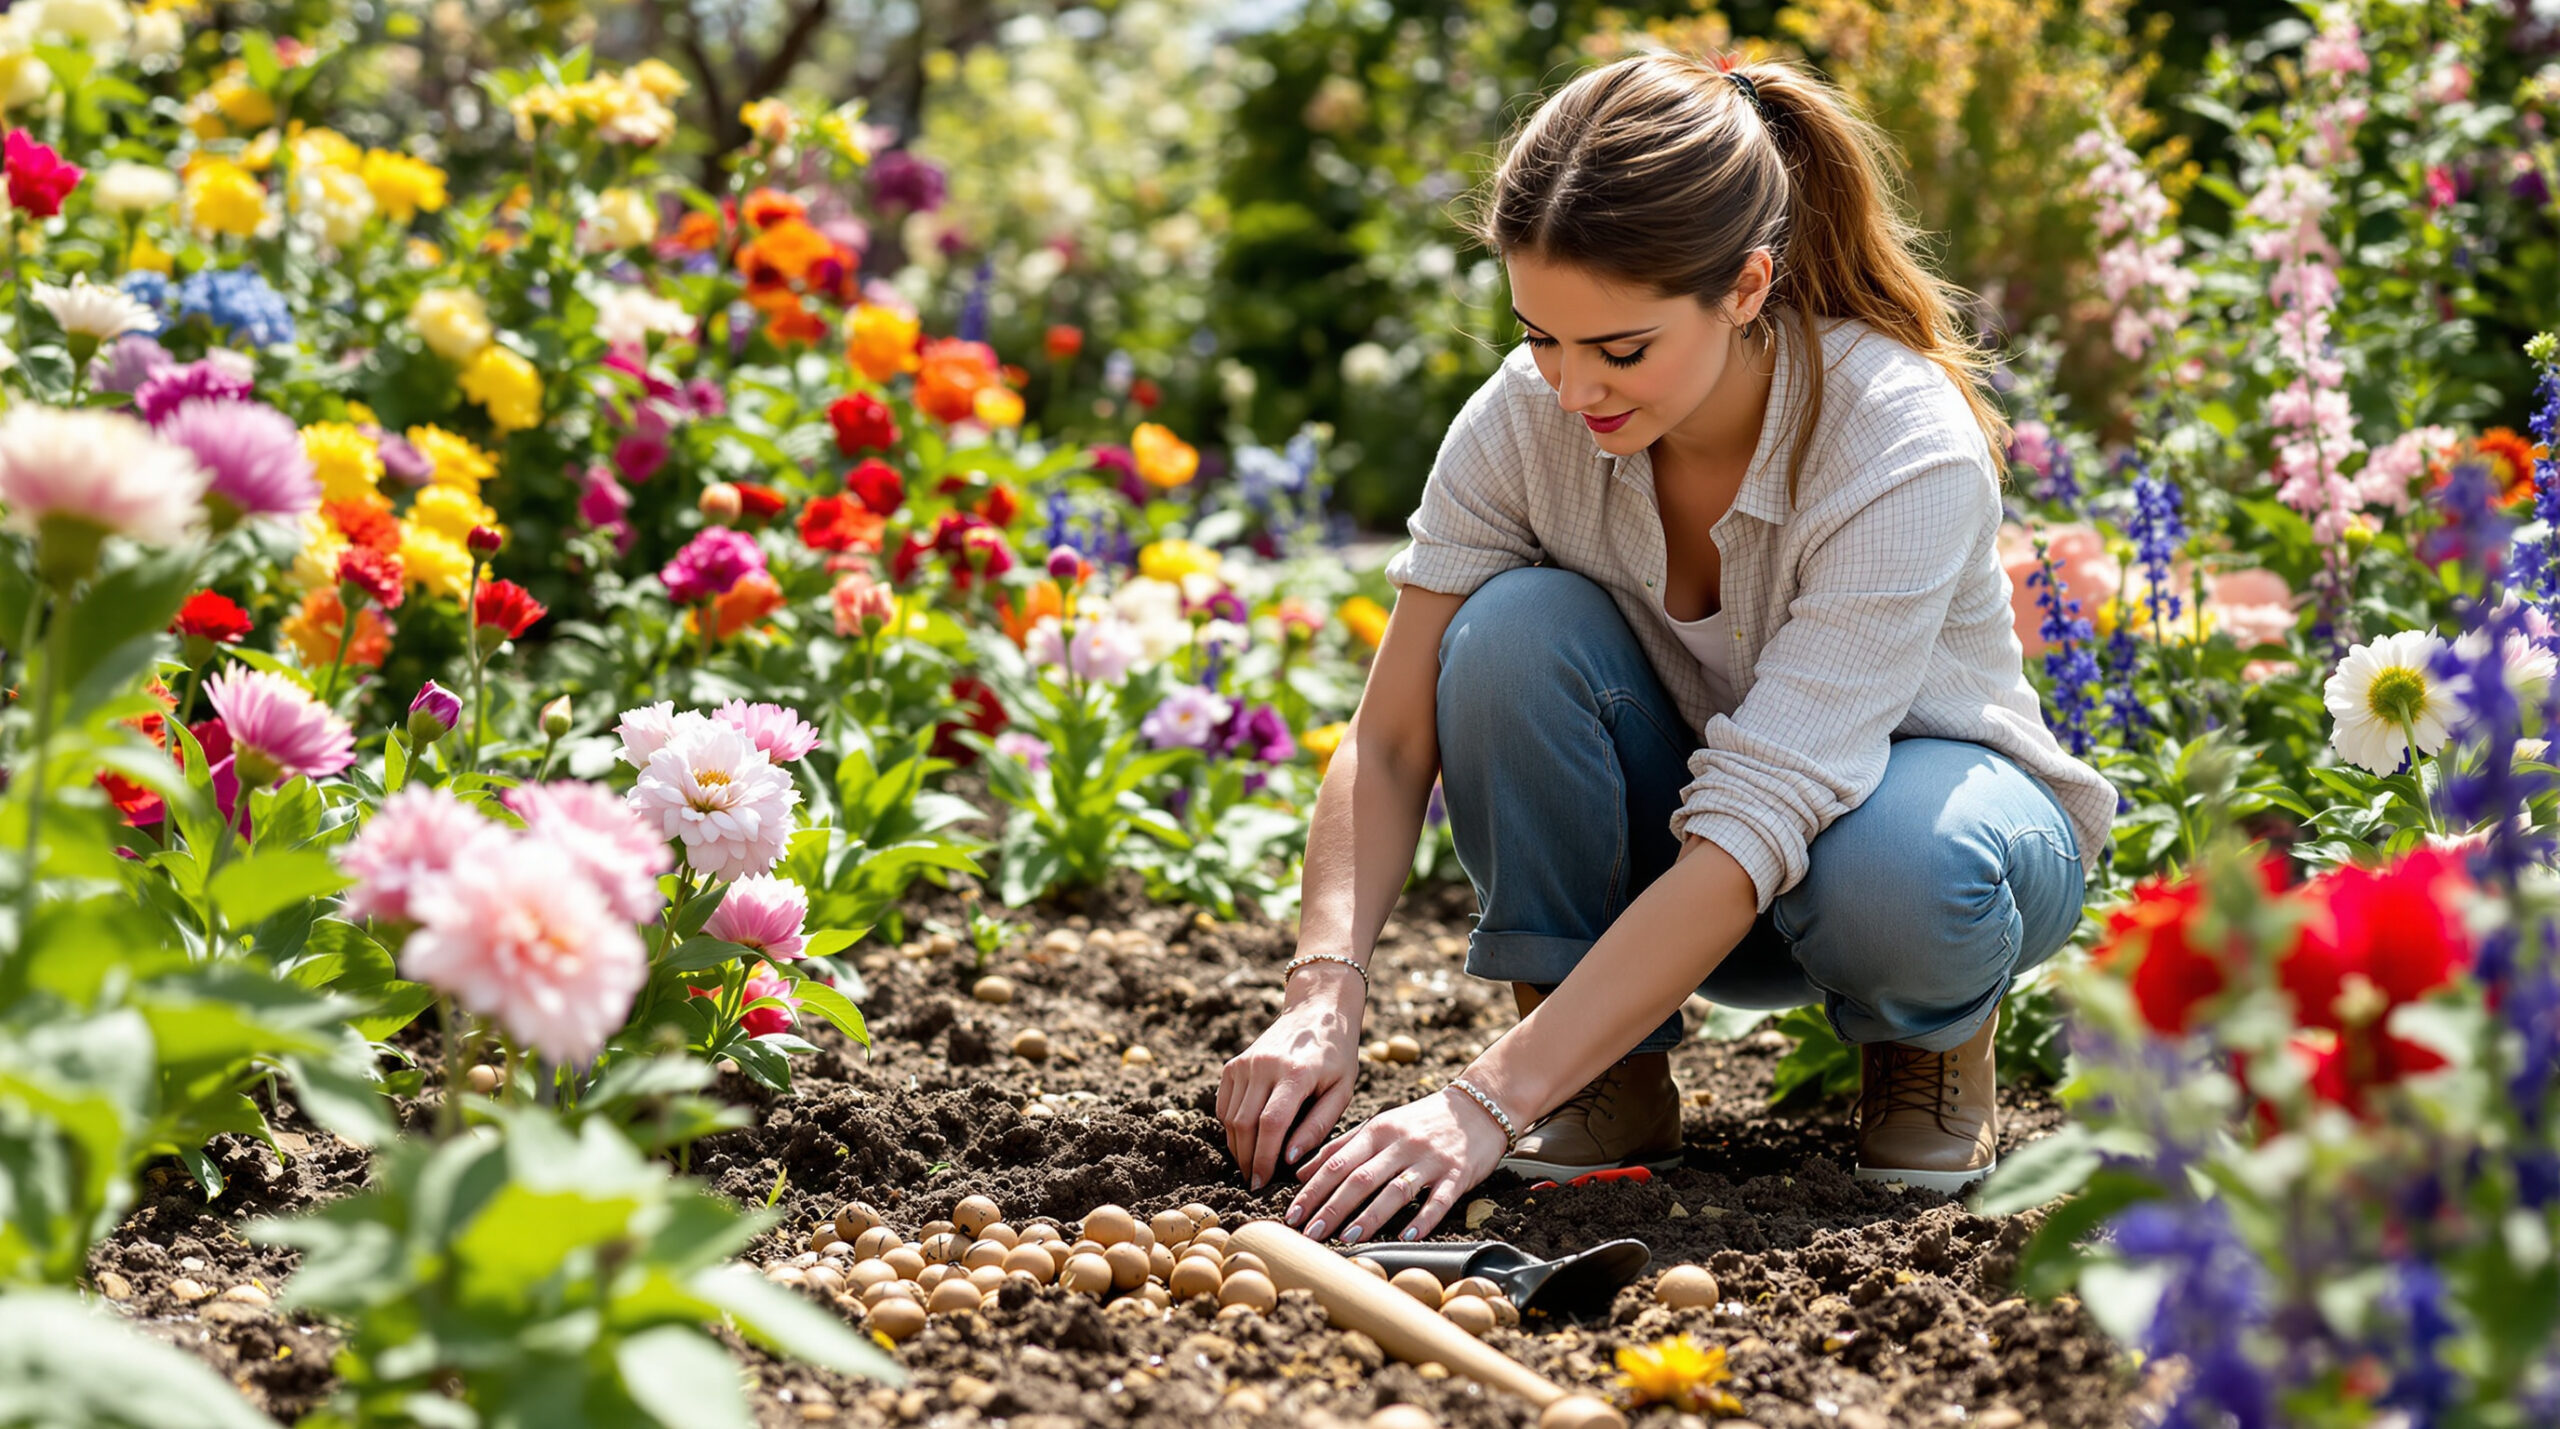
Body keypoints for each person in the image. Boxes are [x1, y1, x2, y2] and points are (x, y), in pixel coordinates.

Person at [1213, 51, 2116, 1247]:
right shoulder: (1524, 419)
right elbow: (1389, 738)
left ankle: (1927, 1042)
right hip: (1692, 866)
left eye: (1620, 350)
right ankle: (1604, 1074)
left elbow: (1756, 821)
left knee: (1896, 870)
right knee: (1499, 640)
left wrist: (1483, 1098)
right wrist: (1322, 991)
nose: (1571, 385)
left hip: (1918, 854)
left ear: (1745, 287)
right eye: (1540, 335)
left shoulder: (1896, 439)